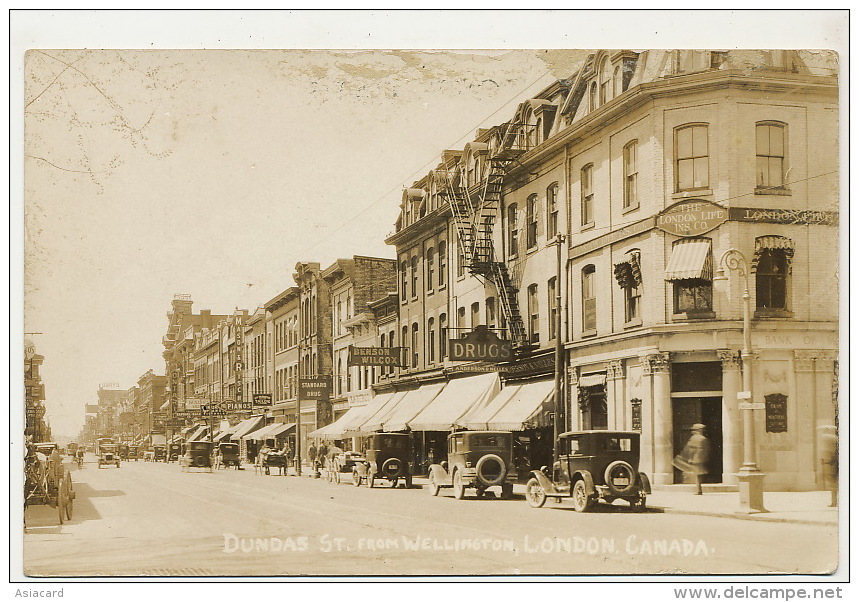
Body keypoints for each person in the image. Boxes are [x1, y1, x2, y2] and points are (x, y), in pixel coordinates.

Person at [673, 423, 711, 495]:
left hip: (695, 459)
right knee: (698, 474)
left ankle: (698, 490)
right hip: (702, 459)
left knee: (696, 474)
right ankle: (699, 489)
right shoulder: (704, 438)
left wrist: (686, 457)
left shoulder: (694, 438)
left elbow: (689, 449)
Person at [818, 425, 838, 507]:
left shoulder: (829, 439)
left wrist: (827, 461)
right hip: (834, 463)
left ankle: (834, 502)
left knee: (833, 484)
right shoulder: (835, 439)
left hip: (833, 464)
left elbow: (833, 453)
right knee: (834, 484)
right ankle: (834, 502)